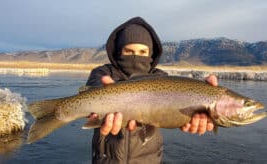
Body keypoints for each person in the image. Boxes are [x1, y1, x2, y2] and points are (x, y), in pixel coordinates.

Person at [86, 17, 218, 164]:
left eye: (143, 51)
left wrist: (204, 94)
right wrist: (107, 94)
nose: (136, 57)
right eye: (129, 51)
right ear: (118, 52)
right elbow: (94, 89)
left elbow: (179, 99)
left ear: (151, 53)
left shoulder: (160, 78)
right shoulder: (103, 73)